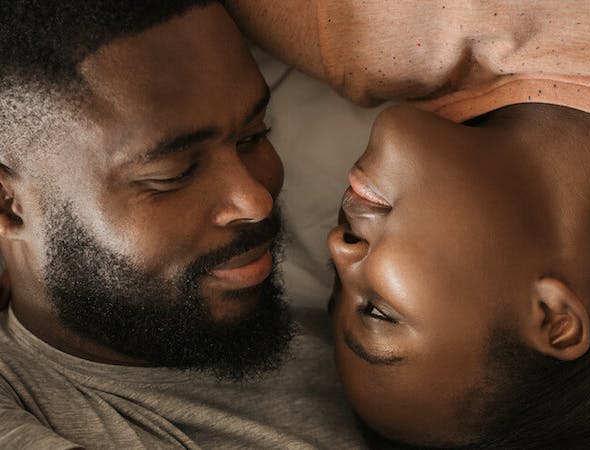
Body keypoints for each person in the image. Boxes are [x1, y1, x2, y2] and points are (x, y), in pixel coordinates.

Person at [226, 0, 590, 448]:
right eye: (377, 311)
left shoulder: (348, 26)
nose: (337, 247)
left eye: (337, 287)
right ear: (553, 319)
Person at [0, 1, 364, 448]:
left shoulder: (354, 302)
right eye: (173, 174)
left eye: (254, 135)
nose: (256, 200)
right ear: (9, 205)